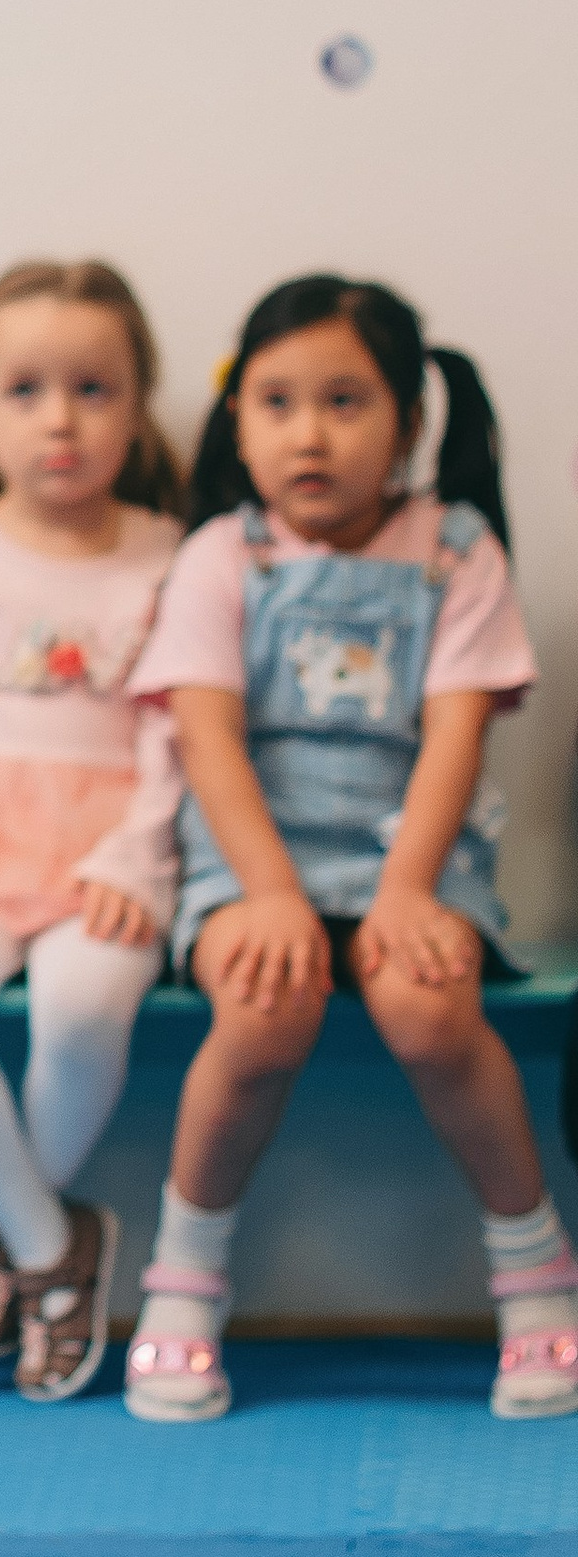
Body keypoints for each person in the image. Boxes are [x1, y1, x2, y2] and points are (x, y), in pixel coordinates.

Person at [124, 275, 576, 1427]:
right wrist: (269, 893)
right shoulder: (226, 553)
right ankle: (183, 1280)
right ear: (238, 421)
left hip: (410, 853)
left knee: (430, 1007)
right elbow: (209, 740)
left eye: (343, 400)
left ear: (409, 424)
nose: (308, 431)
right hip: (248, 859)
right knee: (263, 1008)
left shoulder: (455, 553)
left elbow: (454, 736)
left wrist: (408, 889)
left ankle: (533, 1271)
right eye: (275, 401)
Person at [0, 262, 185, 1401]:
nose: (60, 418)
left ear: (137, 403)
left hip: (107, 853)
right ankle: (45, 1248)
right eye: (25, 389)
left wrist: (133, 858)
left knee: (80, 1008)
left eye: (93, 388)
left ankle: (3, 1241)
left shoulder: (174, 554)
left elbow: (184, 732)